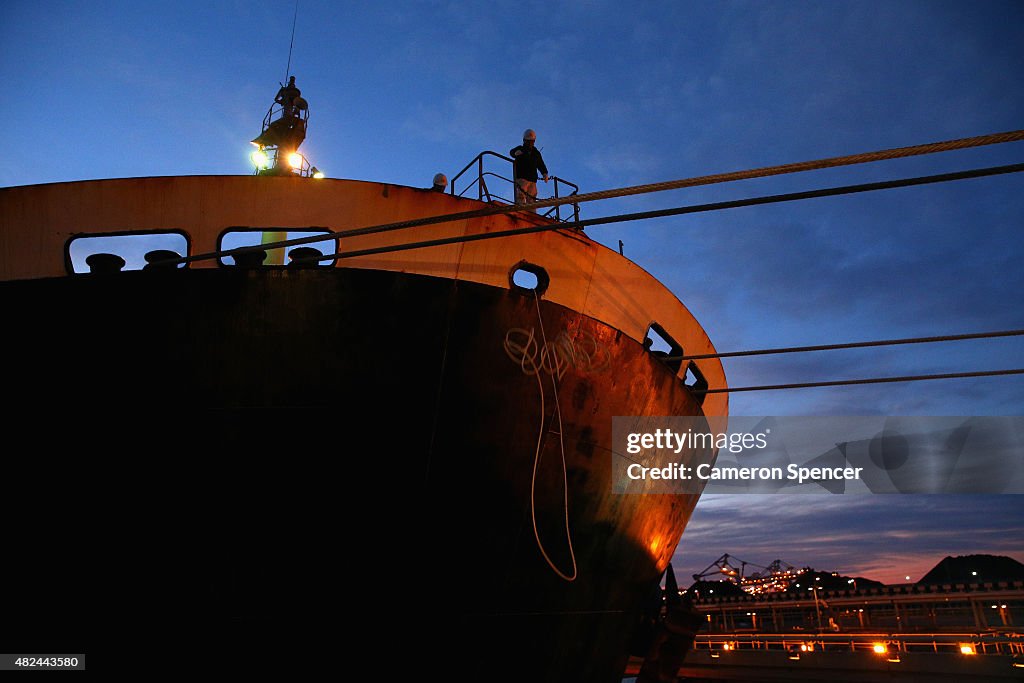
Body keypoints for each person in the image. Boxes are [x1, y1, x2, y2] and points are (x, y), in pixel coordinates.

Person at [509, 129, 549, 210]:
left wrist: (544, 173)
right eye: (528, 141)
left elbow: (540, 164)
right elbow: (511, 152)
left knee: (532, 198)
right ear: (524, 141)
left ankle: (531, 213)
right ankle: (520, 210)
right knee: (521, 195)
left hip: (532, 180)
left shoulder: (536, 153)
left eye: (532, 141)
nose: (530, 143)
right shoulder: (520, 149)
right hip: (522, 178)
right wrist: (515, 153)